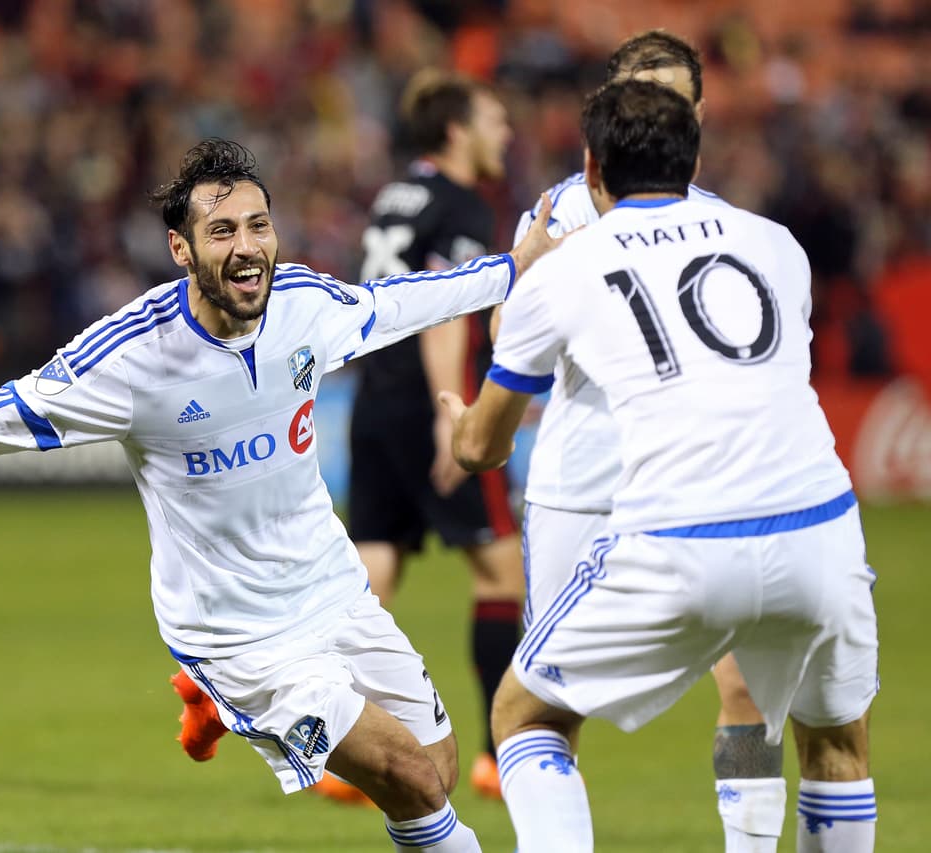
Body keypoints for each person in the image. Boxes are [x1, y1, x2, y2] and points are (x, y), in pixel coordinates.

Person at [0, 139, 559, 851]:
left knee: (437, 770)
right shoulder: (132, 359)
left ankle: (213, 711)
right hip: (239, 636)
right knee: (408, 776)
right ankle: (222, 690)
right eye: (221, 230)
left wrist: (511, 271)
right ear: (183, 250)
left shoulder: (306, 305)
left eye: (259, 224)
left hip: (332, 590)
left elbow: (400, 300)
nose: (247, 245)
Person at [445, 80, 879, 852]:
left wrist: (461, 424)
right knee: (837, 741)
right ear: (695, 156)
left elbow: (482, 446)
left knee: (526, 713)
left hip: (680, 531)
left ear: (590, 168)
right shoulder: (777, 243)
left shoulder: (564, 268)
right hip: (823, 526)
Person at [511, 30, 790, 849]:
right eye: (641, 94)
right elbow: (507, 330)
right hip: (580, 487)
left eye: (671, 99)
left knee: (747, 688)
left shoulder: (730, 228)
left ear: (697, 116)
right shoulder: (562, 210)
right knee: (549, 706)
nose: (654, 113)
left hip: (692, 482)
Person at [346, 70, 524, 802]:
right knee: (503, 576)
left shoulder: (395, 195)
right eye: (493, 119)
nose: (505, 132)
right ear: (457, 131)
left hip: (371, 400)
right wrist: (456, 417)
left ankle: (344, 756)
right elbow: (444, 310)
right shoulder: (461, 205)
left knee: (369, 580)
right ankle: (495, 754)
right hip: (428, 402)